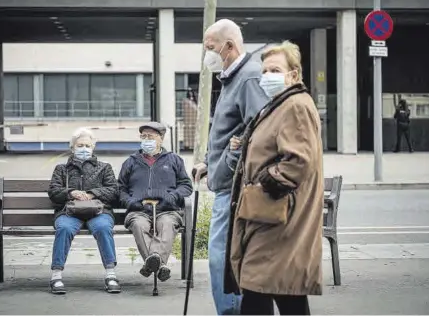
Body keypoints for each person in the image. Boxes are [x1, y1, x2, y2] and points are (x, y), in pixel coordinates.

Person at [225, 41, 323, 315]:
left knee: (261, 289)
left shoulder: (295, 106)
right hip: (272, 217)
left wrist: (265, 183)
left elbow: (298, 161)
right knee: (281, 291)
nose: (268, 76)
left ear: (294, 74)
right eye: (265, 70)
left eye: (275, 70)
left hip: (278, 218)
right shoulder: (280, 105)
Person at [191, 19, 269, 315]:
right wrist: (211, 165)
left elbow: (256, 133)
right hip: (225, 181)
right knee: (223, 257)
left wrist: (225, 165)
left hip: (234, 188)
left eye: (210, 47)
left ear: (229, 46)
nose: (207, 54)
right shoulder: (232, 77)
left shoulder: (248, 78)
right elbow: (233, 131)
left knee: (220, 258)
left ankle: (230, 313)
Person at [47, 127, 120, 294]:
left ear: (93, 147)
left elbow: (113, 192)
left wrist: (91, 193)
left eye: (87, 145)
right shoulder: (61, 169)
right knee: (64, 228)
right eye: (80, 145)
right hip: (69, 212)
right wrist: (71, 193)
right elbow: (53, 192)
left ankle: (111, 274)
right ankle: (56, 276)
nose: (84, 149)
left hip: (99, 211)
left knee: (103, 228)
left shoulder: (104, 168)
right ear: (72, 148)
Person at [118, 122, 193, 282]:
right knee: (138, 225)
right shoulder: (130, 162)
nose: (146, 140)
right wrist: (131, 202)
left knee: (167, 224)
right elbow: (120, 189)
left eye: (150, 137)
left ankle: (152, 262)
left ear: (161, 139)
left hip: (167, 209)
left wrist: (172, 197)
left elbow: (186, 186)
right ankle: (159, 265)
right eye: (143, 136)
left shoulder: (174, 160)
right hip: (139, 210)